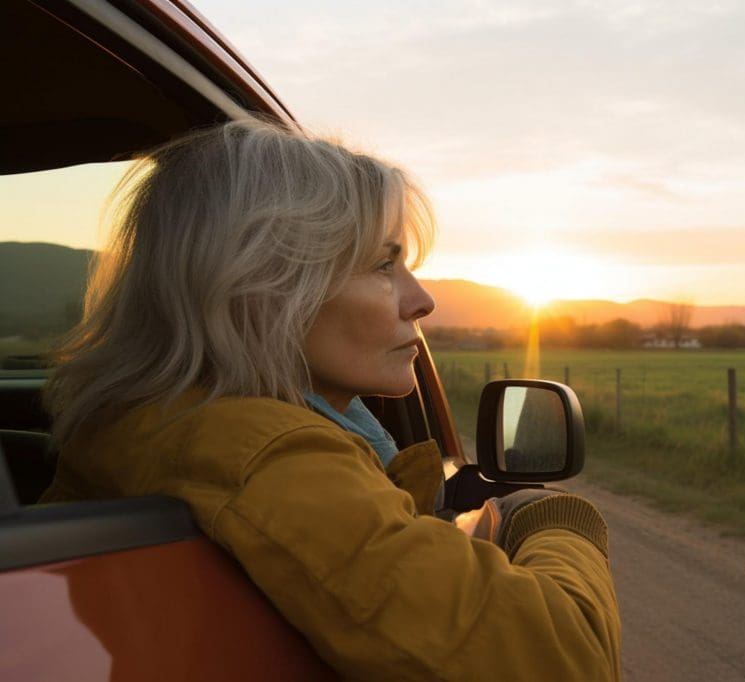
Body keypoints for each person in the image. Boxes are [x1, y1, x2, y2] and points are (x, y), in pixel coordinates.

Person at [40, 119, 620, 680]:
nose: (421, 301)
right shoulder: (267, 454)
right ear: (265, 289)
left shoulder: (169, 425)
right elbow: (566, 663)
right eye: (382, 264)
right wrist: (558, 518)